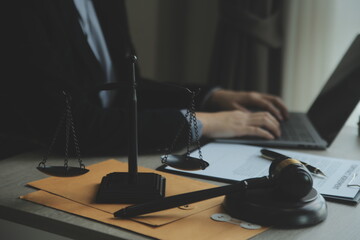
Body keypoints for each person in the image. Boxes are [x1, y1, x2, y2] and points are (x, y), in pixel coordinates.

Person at [2, 0, 287, 156]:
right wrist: (204, 122)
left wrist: (212, 97)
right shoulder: (20, 10)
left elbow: (125, 89)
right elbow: (75, 127)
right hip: (26, 165)